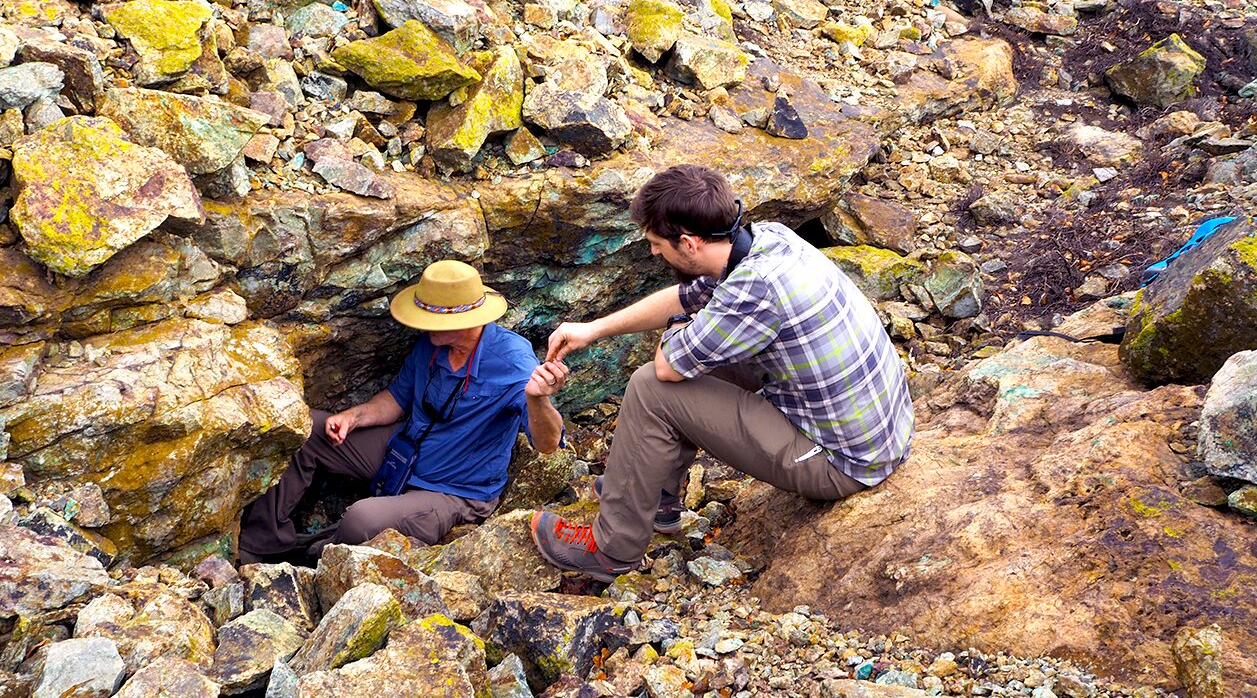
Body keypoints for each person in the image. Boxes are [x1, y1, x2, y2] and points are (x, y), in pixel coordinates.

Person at [529, 165, 914, 581]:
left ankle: (611, 550)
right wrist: (595, 329)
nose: (654, 253)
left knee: (650, 388)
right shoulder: (768, 239)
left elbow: (668, 366)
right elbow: (686, 297)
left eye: (658, 244)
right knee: (699, 359)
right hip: (880, 431)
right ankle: (652, 493)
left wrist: (681, 328)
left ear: (689, 243)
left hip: (842, 461)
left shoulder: (755, 289)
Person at [239, 259, 566, 564]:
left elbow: (548, 443)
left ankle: (307, 557)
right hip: (405, 449)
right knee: (306, 428)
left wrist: (538, 399)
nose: (423, 327)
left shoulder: (512, 362)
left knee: (360, 519)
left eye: (432, 320)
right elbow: (398, 398)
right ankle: (259, 548)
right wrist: (353, 417)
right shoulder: (433, 342)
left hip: (453, 490)